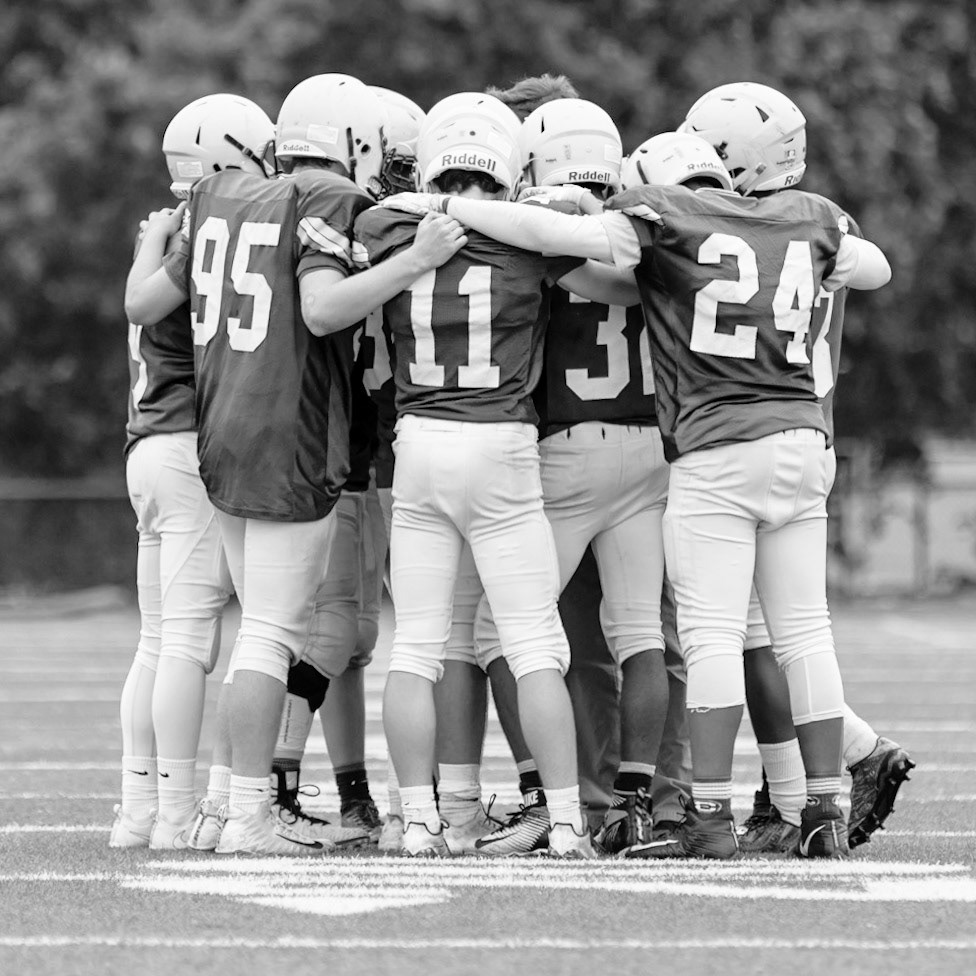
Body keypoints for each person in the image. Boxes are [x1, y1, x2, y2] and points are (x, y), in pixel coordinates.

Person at [383, 81, 891, 859]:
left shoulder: (661, 221)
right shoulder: (811, 217)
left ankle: (625, 807)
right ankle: (799, 802)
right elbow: (874, 267)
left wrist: (458, 206)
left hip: (677, 447)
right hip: (776, 439)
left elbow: (565, 250)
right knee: (769, 633)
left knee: (608, 633)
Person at [124, 73, 465, 856]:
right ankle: (248, 813)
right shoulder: (325, 197)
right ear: (355, 143)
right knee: (270, 634)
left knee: (255, 629)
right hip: (290, 432)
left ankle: (220, 805)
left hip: (223, 429)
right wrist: (415, 258)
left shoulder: (221, 196)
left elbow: (149, 302)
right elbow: (321, 307)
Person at [355, 91, 635, 858]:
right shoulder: (529, 235)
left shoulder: (388, 225)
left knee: (416, 646)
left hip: (419, 442)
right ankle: (568, 820)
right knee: (534, 641)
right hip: (502, 443)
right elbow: (620, 261)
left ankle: (421, 821)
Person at [109, 94, 266, 850]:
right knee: (188, 643)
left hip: (146, 446)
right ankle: (173, 813)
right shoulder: (204, 229)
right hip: (184, 446)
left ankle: (137, 810)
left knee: (156, 640)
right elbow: (145, 305)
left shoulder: (165, 227)